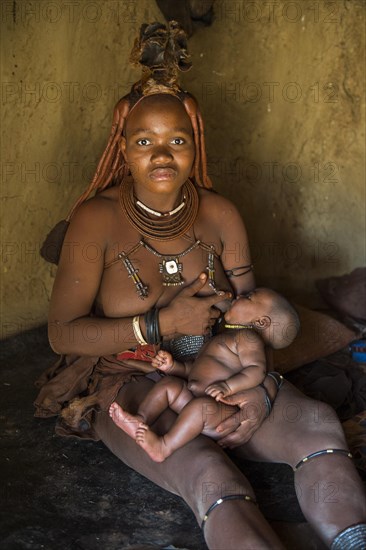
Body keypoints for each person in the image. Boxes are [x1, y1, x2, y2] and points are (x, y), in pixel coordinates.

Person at [34, 22, 366, 550]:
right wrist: (158, 324)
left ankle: (353, 539)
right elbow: (62, 335)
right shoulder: (95, 221)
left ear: (195, 145)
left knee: (320, 427)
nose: (161, 157)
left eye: (177, 141)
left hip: (219, 371)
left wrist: (257, 394)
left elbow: (249, 322)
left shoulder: (221, 214)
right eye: (144, 142)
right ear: (123, 146)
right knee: (212, 475)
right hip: (132, 376)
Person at [108, 288, 300, 463]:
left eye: (248, 298)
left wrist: (228, 387)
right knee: (169, 384)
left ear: (261, 322)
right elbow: (197, 369)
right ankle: (141, 419)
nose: (240, 296)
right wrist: (174, 366)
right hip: (194, 397)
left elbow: (256, 371)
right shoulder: (226, 336)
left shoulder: (249, 339)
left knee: (201, 408)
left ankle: (164, 446)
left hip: (219, 411)